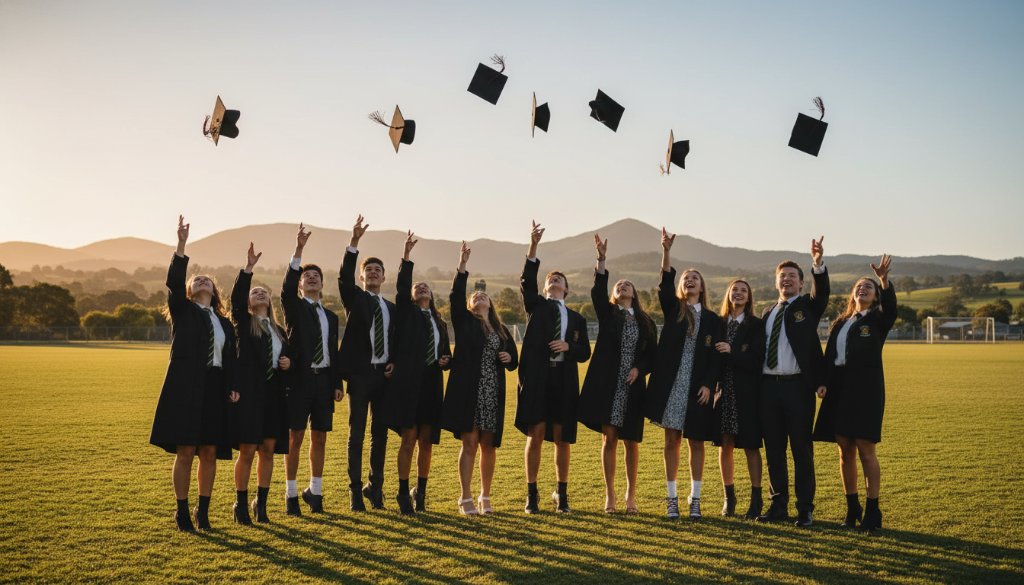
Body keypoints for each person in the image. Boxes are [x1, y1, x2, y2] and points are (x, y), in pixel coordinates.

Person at [150, 215, 237, 531]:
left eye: (207, 280)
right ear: (188, 290)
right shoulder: (183, 312)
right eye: (196, 279)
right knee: (186, 450)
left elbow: (231, 359)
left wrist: (232, 386)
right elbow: (173, 281)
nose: (202, 281)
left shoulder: (225, 323)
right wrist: (181, 245)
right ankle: (182, 511)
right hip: (186, 386)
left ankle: (204, 511)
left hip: (215, 386)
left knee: (210, 452)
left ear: (215, 291)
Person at [813, 255, 896, 531]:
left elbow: (891, 308)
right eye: (859, 286)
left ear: (874, 297)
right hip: (838, 389)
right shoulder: (840, 322)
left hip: (866, 390)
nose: (862, 289)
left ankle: (873, 511)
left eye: (868, 288)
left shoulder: (878, 320)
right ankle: (852, 509)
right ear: (852, 293)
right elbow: (829, 356)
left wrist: (883, 280)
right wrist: (823, 381)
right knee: (844, 450)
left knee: (865, 449)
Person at [644, 228, 723, 519]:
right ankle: (672, 497)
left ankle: (696, 499)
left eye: (695, 278)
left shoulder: (714, 320)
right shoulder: (673, 309)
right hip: (672, 386)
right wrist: (665, 251)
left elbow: (716, 357)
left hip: (697, 388)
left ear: (702, 287)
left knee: (696, 442)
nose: (689, 281)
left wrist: (708, 385)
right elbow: (664, 285)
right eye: (685, 279)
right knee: (672, 441)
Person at [515, 221, 591, 514]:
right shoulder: (536, 305)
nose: (555, 281)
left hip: (565, 380)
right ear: (545, 287)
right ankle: (531, 495)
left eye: (560, 279)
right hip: (538, 378)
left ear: (567, 289)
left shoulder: (577, 318)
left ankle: (562, 495)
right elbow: (526, 280)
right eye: (551, 279)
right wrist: (533, 247)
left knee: (562, 438)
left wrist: (569, 347)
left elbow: (584, 352)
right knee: (536, 434)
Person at [578, 234, 657, 513]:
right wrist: (601, 260)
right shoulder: (608, 313)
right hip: (609, 386)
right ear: (614, 294)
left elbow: (651, 355)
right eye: (618, 285)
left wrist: (639, 368)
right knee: (609, 437)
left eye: (628, 285)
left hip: (633, 387)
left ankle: (631, 497)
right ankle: (610, 496)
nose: (622, 286)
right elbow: (597, 292)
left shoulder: (647, 322)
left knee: (631, 442)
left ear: (634, 294)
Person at [441, 241, 519, 514]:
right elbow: (455, 295)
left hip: (492, 392)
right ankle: (465, 497)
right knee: (470, 442)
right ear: (469, 305)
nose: (479, 297)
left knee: (489, 446)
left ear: (490, 303)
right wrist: (462, 267)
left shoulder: (501, 328)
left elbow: (512, 358)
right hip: (469, 391)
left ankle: (485, 497)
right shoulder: (464, 323)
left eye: (483, 296)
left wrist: (510, 358)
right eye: (474, 297)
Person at [757, 237, 830, 527]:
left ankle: (805, 508)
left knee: (801, 449)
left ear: (801, 283)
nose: (786, 280)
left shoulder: (807, 308)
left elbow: (822, 292)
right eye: (782, 277)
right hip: (768, 388)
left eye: (792, 276)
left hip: (798, 388)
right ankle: (778, 506)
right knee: (774, 449)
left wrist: (817, 264)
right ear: (777, 283)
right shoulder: (767, 313)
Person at [382, 231, 452, 514]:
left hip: (433, 383)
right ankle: (402, 491)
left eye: (426, 287)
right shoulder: (407, 314)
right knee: (409, 438)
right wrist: (406, 257)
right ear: (411, 296)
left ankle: (420, 493)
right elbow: (401, 287)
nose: (422, 289)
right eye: (417, 287)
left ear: (432, 296)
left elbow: (445, 352)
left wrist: (446, 360)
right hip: (409, 383)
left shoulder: (440, 322)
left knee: (426, 441)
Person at [228, 242, 292, 524]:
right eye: (255, 292)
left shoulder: (279, 331)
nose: (259, 294)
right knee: (248, 450)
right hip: (250, 395)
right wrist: (249, 270)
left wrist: (288, 363)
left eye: (263, 292)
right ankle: (240, 504)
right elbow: (237, 298)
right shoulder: (243, 322)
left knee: (268, 450)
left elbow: (288, 359)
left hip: (275, 396)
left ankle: (261, 504)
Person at [281, 223, 342, 515]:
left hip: (324, 382)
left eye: (316, 276)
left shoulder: (331, 316)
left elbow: (334, 352)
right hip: (299, 381)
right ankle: (291, 494)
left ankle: (315, 492)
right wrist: (299, 251)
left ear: (322, 283)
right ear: (300, 285)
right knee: (295, 437)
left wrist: (337, 383)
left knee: (320, 437)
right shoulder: (294, 307)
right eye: (307, 276)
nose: (312, 278)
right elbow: (284, 288)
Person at [338, 215, 396, 511]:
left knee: (380, 435)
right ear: (362, 278)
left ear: (384, 277)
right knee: (356, 434)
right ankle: (354, 492)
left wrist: (394, 362)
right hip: (360, 376)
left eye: (377, 270)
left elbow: (397, 341)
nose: (373, 273)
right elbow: (343, 278)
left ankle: (375, 488)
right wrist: (354, 243)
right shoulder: (355, 299)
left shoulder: (391, 308)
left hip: (383, 378)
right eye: (368, 270)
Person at [712, 279, 766, 519]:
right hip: (723, 393)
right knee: (726, 445)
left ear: (749, 297)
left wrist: (733, 352)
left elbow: (756, 361)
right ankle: (729, 498)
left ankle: (756, 499)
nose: (739, 293)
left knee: (752, 446)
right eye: (735, 289)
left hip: (748, 393)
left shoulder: (756, 325)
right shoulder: (719, 323)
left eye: (744, 290)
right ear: (728, 294)